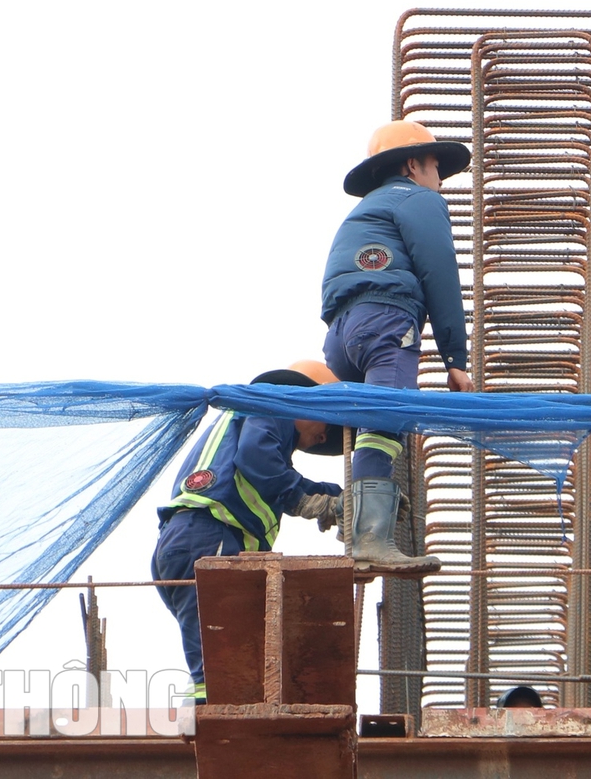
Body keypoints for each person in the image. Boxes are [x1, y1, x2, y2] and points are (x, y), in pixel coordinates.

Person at [322, 119, 472, 573]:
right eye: (434, 167)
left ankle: (368, 524)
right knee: (383, 429)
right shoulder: (418, 199)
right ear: (412, 165)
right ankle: (370, 539)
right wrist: (455, 359)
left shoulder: (365, 211)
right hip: (386, 321)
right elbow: (439, 271)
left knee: (370, 428)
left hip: (340, 335)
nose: (439, 179)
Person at [153, 361, 348, 703]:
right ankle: (204, 725)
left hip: (187, 542)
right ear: (304, 400)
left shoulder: (246, 419)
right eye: (327, 424)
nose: (323, 438)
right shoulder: (269, 404)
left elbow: (276, 473)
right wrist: (305, 502)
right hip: (209, 537)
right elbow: (260, 461)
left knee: (223, 659)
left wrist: (342, 497)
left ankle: (202, 713)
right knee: (218, 672)